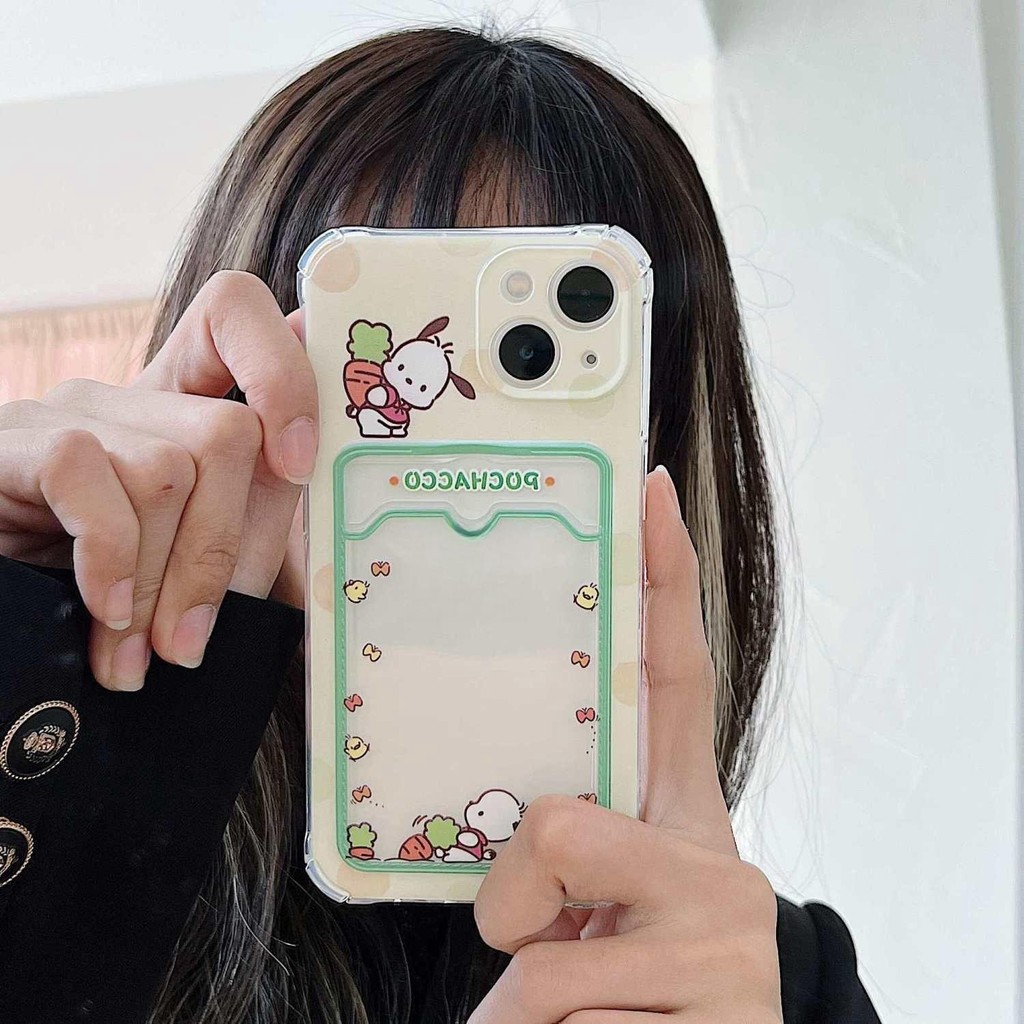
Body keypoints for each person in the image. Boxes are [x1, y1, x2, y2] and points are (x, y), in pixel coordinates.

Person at [0, 26, 881, 1024]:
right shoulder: (73, 858)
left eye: (527, 424)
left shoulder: (773, 987)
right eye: (379, 419)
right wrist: (27, 659)